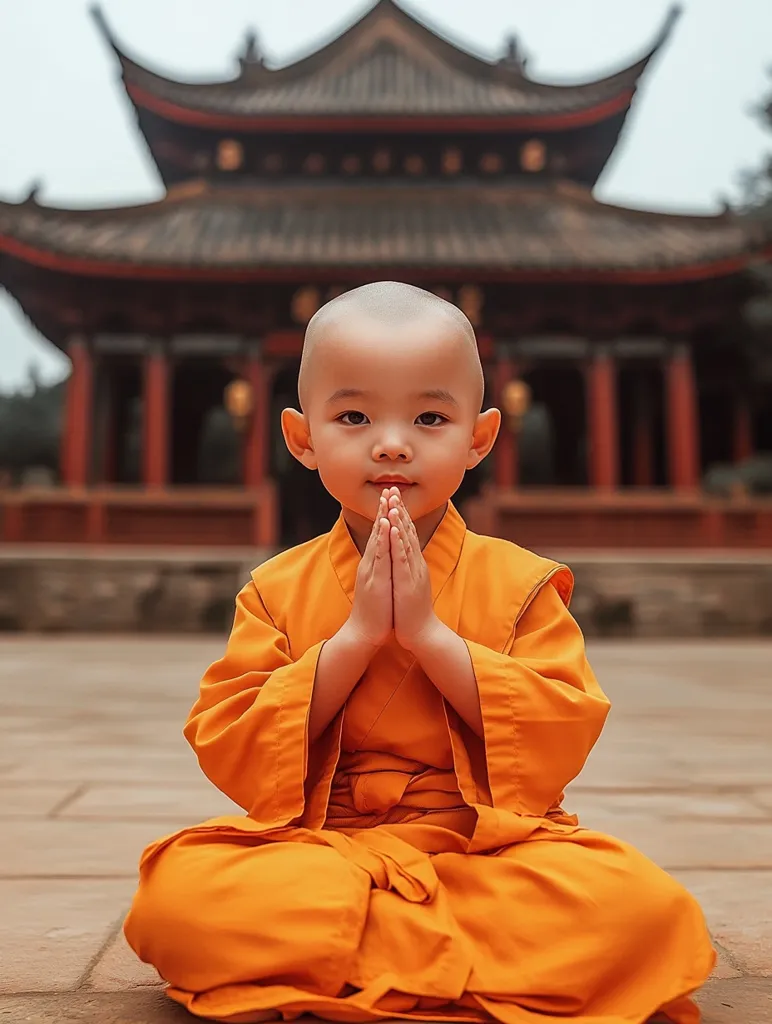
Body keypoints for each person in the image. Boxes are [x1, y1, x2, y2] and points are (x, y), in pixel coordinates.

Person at [124, 282, 715, 1024]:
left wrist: (433, 639)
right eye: (354, 416)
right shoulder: (274, 590)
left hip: (484, 848)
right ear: (302, 439)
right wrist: (355, 639)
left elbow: (559, 731)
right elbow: (230, 739)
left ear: (479, 436)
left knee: (641, 911)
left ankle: (350, 961)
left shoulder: (522, 583)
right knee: (178, 901)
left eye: (430, 416)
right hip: (324, 848)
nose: (393, 441)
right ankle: (461, 965)